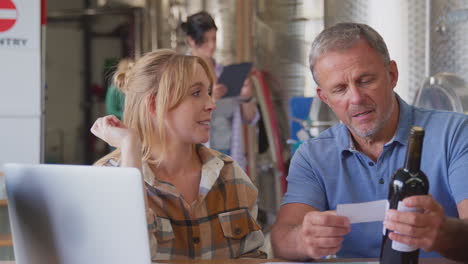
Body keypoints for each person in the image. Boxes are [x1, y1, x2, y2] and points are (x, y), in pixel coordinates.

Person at [271, 23, 468, 262]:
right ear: (324, 97)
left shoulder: (456, 134)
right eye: (339, 89)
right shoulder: (313, 156)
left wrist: (444, 233)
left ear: (392, 75)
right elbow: (282, 239)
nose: (355, 98)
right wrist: (302, 239)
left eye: (365, 80)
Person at [91, 49, 265, 260]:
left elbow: (254, 258)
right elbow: (126, 256)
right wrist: (130, 145)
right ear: (154, 104)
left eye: (209, 92)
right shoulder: (106, 179)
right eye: (196, 93)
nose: (211, 104)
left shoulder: (231, 175)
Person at [181, 11, 258, 171]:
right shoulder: (179, 75)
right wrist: (208, 99)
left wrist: (246, 98)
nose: (212, 46)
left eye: (214, 39)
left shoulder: (225, 73)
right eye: (205, 40)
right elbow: (176, 120)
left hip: (230, 155)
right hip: (197, 159)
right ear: (191, 40)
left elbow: (250, 119)